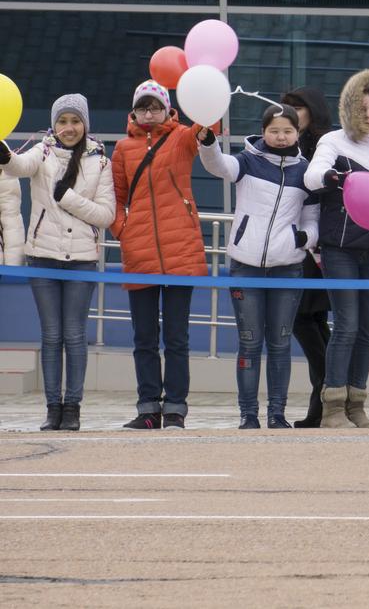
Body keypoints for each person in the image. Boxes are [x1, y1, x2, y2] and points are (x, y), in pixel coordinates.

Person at [197, 106, 319, 430]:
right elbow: (217, 165)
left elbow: (312, 218)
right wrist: (208, 142)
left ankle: (277, 414)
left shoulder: (306, 172)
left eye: (287, 131)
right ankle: (248, 414)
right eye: (274, 130)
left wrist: (306, 238)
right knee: (249, 342)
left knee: (280, 344)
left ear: (298, 133)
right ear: (263, 131)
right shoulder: (247, 161)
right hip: (245, 267)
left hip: (288, 268)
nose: (281, 137)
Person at [303, 69, 369, 429]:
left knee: (368, 329)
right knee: (346, 325)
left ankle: (357, 402)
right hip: (342, 248)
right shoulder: (333, 142)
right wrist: (331, 177)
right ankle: (333, 405)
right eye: (363, 108)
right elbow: (311, 175)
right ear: (350, 109)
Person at [0, 95, 114, 432]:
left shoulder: (101, 161)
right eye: (62, 121)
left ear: (85, 124)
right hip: (43, 257)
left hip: (81, 261)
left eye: (74, 121)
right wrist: (5, 154)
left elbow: (106, 215)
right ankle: (53, 409)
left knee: (75, 336)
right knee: (51, 336)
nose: (68, 128)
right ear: (54, 124)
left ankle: (73, 409)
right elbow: (18, 167)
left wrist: (69, 199)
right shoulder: (43, 151)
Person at [110, 80, 209, 430]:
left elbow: (207, 126)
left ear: (168, 109)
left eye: (156, 107)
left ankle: (176, 409)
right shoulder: (122, 148)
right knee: (144, 338)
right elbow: (116, 199)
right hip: (139, 253)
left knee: (177, 338)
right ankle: (148, 407)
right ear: (133, 111)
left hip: (181, 251)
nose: (149, 113)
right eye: (143, 107)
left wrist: (207, 91)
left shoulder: (182, 137)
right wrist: (123, 230)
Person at [280, 86, 334, 428]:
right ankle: (326, 397)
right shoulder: (281, 143)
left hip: (316, 245)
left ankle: (325, 398)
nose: (292, 113)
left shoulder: (323, 146)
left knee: (309, 319)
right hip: (291, 242)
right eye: (287, 107)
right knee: (308, 322)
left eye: (298, 108)